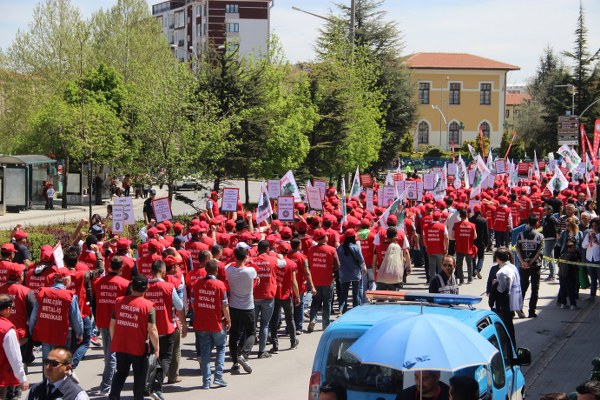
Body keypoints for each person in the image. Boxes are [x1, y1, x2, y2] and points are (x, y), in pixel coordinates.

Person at [109, 274, 159, 400]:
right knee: (140, 376)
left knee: (120, 373)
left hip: (121, 345)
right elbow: (152, 329)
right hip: (138, 347)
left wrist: (115, 339)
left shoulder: (119, 301)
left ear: (132, 287)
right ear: (146, 288)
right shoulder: (148, 306)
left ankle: (113, 397)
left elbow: (112, 324)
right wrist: (156, 348)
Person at [145, 260, 186, 400]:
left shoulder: (144, 286)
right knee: (166, 358)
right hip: (167, 326)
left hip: (149, 329)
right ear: (163, 272)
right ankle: (156, 386)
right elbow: (179, 306)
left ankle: (148, 384)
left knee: (152, 357)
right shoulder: (169, 287)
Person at [92, 256, 130, 396]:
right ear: (121, 268)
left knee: (108, 353)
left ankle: (108, 383)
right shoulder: (125, 284)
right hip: (118, 323)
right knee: (112, 355)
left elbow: (94, 302)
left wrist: (97, 319)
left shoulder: (98, 282)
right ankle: (106, 386)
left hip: (103, 321)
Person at [29, 269, 83, 364]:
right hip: (62, 333)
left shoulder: (43, 293)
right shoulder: (70, 296)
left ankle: (47, 379)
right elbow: (76, 318)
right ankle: (59, 379)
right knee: (61, 361)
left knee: (47, 361)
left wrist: (31, 329)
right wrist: (80, 333)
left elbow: (34, 315)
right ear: (66, 281)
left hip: (45, 331)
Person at [191, 259, 230, 389]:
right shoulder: (220, 285)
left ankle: (206, 381)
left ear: (205, 269)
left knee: (205, 352)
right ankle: (218, 377)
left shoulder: (196, 284)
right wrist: (228, 320)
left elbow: (192, 302)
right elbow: (225, 305)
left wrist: (199, 312)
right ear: (217, 271)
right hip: (216, 322)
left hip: (201, 322)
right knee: (221, 347)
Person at [225, 245, 256, 374]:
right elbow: (254, 277)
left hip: (233, 306)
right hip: (248, 307)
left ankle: (235, 362)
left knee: (234, 335)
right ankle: (244, 354)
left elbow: (228, 266)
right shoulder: (251, 271)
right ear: (246, 256)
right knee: (251, 333)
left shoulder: (229, 270)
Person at [269, 242, 300, 354]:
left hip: (275, 294)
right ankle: (293, 341)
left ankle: (275, 345)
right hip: (286, 295)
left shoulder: (274, 262)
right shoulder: (291, 264)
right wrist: (297, 295)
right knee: (290, 319)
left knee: (274, 320)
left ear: (278, 251)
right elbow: (294, 282)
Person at [307, 229, 339, 333]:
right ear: (325, 238)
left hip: (315, 280)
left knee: (315, 301)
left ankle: (312, 319)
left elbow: (309, 264)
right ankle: (325, 324)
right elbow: (338, 265)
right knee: (327, 301)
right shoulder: (332, 250)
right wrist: (331, 269)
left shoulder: (311, 249)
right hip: (327, 279)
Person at [0, 294, 29, 400]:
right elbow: (15, 357)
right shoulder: (7, 330)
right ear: (7, 309)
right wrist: (22, 378)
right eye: (12, 308)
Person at [515, 214, 544, 318]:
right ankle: (531, 311)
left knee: (523, 286)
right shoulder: (540, 236)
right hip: (535, 266)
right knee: (534, 289)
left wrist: (523, 262)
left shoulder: (520, 235)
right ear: (536, 223)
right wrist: (531, 262)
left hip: (523, 266)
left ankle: (519, 307)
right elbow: (539, 252)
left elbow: (517, 249)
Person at [492, 247, 522, 344]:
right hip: (512, 302)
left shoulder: (502, 272)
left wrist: (495, 284)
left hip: (504, 304)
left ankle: (509, 351)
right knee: (510, 328)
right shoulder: (513, 267)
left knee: (504, 329)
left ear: (497, 258)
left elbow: (502, 289)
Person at [336, 229, 366, 313]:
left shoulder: (339, 248)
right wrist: (364, 268)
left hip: (344, 274)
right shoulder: (355, 247)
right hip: (355, 274)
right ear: (353, 237)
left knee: (344, 293)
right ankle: (355, 311)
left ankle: (341, 309)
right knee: (356, 293)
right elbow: (361, 260)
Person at [453, 209, 477, 284]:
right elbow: (475, 236)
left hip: (459, 247)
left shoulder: (456, 225)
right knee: (469, 264)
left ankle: (461, 279)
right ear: (466, 215)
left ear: (460, 216)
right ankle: (470, 278)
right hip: (468, 247)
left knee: (459, 264)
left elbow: (453, 236)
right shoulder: (472, 225)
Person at [557, 238, 580, 309]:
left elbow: (559, 263)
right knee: (570, 289)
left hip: (562, 273)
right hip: (569, 273)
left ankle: (563, 303)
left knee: (563, 288)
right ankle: (572, 304)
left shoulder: (563, 252)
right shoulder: (575, 253)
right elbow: (578, 262)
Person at [582, 218, 600, 300]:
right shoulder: (588, 234)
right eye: (592, 226)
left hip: (598, 259)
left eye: (595, 226)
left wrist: (597, 242)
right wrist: (588, 240)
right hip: (589, 258)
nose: (594, 227)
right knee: (593, 278)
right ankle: (592, 295)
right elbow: (583, 246)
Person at [469, 204, 489, 279]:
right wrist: (487, 242)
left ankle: (474, 270)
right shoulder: (483, 220)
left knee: (473, 256)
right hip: (481, 241)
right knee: (481, 257)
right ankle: (478, 269)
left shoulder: (470, 220)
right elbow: (486, 233)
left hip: (472, 241)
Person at [541, 206, 560, 281]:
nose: (543, 211)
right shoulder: (546, 218)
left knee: (549, 256)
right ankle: (552, 273)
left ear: (549, 210)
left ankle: (552, 275)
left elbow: (557, 226)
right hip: (547, 238)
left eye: (545, 210)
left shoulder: (552, 218)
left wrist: (557, 235)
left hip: (551, 239)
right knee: (549, 256)